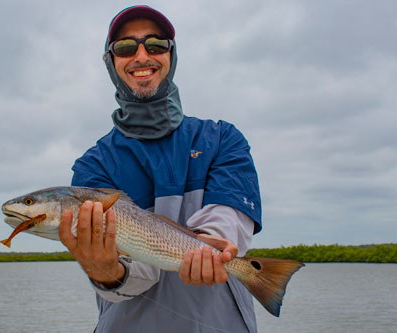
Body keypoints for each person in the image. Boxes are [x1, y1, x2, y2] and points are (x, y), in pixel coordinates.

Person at [59, 5, 262, 333]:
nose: (141, 56)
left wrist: (209, 248)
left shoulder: (222, 139)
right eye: (126, 47)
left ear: (172, 55)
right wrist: (106, 271)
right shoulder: (93, 166)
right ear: (111, 62)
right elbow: (135, 271)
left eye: (155, 44)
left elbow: (229, 224)